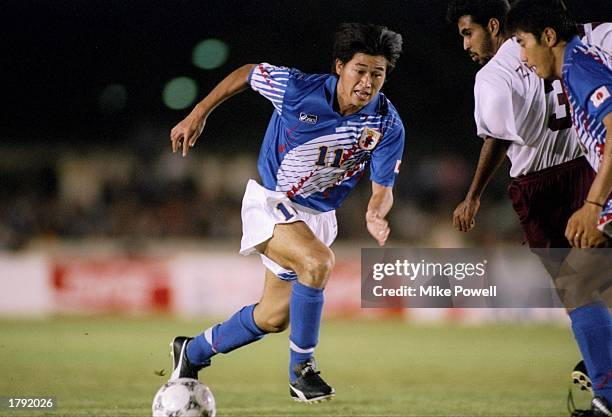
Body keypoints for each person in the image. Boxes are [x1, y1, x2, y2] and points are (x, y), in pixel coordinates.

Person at [168, 23, 404, 403]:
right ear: (340, 66)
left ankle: (191, 352)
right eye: (361, 71)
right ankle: (301, 373)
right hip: (272, 201)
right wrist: (199, 112)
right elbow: (247, 73)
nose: (368, 82)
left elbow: (383, 189)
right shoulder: (297, 90)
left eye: (378, 74)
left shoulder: (387, 123)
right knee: (318, 262)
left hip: (318, 219)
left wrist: (376, 212)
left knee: (272, 318)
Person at [505, 2, 612, 416]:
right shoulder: (577, 68)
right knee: (576, 283)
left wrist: (593, 204)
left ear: (549, 37)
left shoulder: (581, 67)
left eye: (522, 42)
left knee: (576, 283)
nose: (522, 56)